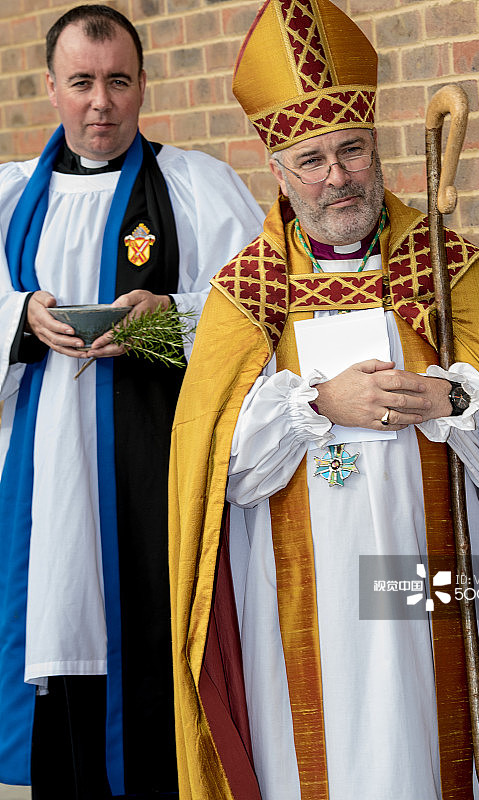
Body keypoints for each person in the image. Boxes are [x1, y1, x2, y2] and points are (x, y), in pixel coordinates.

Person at [169, 1, 479, 798]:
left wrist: (450, 400)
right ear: (277, 169)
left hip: (432, 587)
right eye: (312, 159)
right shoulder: (246, 294)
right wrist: (315, 406)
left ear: (376, 146)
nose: (337, 176)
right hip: (301, 605)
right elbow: (211, 461)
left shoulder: (445, 268)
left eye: (352, 150)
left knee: (436, 748)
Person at [0, 5, 263, 799]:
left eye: (118, 82)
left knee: (147, 641)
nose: (101, 103)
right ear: (52, 88)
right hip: (42, 475)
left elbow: (256, 310)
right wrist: (22, 313)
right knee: (50, 625)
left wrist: (168, 319)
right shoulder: (12, 197)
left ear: (144, 83)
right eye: (81, 83)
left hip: (152, 467)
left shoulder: (195, 186)